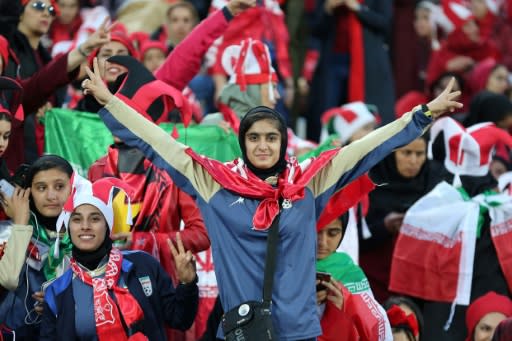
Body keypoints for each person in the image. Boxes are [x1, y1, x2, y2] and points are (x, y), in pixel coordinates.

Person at [82, 55, 462, 339]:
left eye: (271, 137)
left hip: (299, 333)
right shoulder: (214, 183)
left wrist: (422, 115)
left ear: (282, 142)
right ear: (243, 142)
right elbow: (155, 141)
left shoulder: (309, 181)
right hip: (244, 333)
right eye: (254, 137)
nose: (263, 146)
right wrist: (108, 102)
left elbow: (367, 148)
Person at [359, 135, 446, 303]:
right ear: (392, 153)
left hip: (421, 280)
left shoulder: (435, 181)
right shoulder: (371, 182)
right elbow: (354, 237)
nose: (413, 161)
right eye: (406, 153)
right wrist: (384, 226)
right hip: (376, 278)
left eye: (419, 154)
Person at [0, 154, 74, 339]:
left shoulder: (85, 234)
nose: (51, 196)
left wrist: (65, 299)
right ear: (27, 193)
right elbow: (8, 279)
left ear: (73, 189)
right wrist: (20, 224)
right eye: (41, 188)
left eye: (59, 186)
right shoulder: (8, 232)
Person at [316, 214, 392, 340]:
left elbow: (373, 325)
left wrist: (346, 304)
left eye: (333, 233)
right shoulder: (286, 266)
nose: (322, 242)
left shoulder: (350, 271)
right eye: (316, 232)